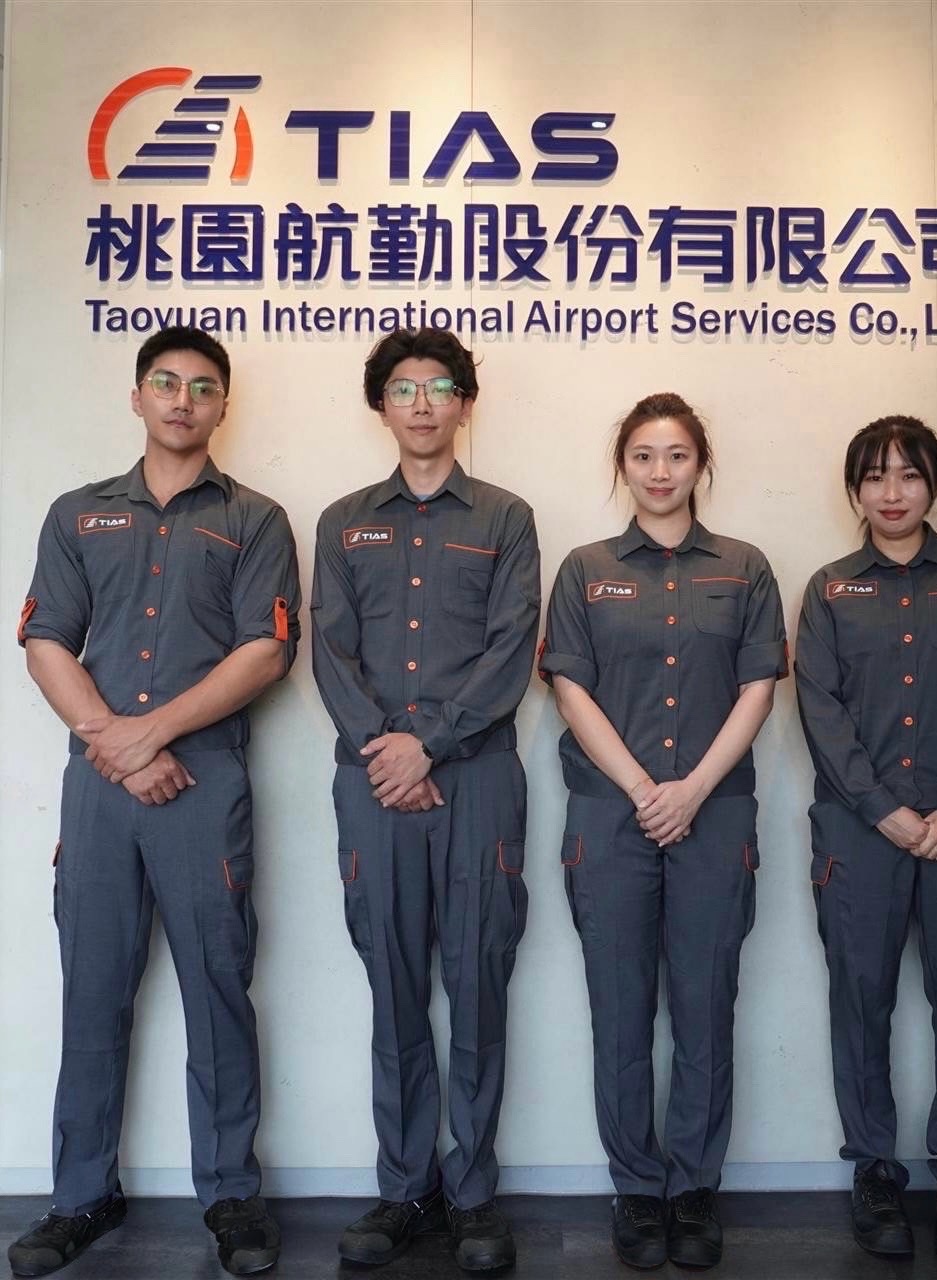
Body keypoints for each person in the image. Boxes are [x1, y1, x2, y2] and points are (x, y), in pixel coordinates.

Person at [9, 326, 300, 1278]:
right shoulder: (78, 514)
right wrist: (117, 743)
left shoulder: (254, 519)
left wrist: (153, 733)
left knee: (218, 989)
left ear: (223, 407)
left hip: (203, 783)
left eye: (203, 387)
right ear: (137, 397)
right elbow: (45, 639)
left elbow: (266, 650)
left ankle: (231, 1197)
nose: (183, 399)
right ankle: (79, 1197)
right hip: (101, 789)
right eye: (166, 383)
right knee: (93, 990)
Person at [538, 392, 786, 1271]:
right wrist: (646, 788)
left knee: (705, 1004)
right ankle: (638, 1190)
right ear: (622, 466)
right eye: (642, 455)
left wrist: (693, 789)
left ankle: (692, 1189)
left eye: (676, 454)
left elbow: (758, 688)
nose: (659, 471)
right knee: (619, 1008)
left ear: (699, 465)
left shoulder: (744, 568)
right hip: (610, 818)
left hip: (714, 816)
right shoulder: (586, 569)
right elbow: (569, 688)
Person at [311, 328, 540, 1273]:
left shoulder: (506, 517)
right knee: (395, 984)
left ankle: (474, 1196)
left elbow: (511, 646)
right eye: (402, 389)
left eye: (439, 388)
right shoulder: (342, 522)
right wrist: (387, 750)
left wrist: (429, 744)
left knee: (478, 983)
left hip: (475, 778)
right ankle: (406, 1187)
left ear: (464, 404)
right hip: (374, 781)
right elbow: (329, 649)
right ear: (381, 405)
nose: (420, 404)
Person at [795, 415, 937, 1263]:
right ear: (853, 490)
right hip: (859, 833)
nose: (891, 493)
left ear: (933, 485)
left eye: (908, 475)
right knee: (861, 1003)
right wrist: (879, 808)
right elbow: (818, 709)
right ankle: (875, 1173)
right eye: (874, 476)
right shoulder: (827, 589)